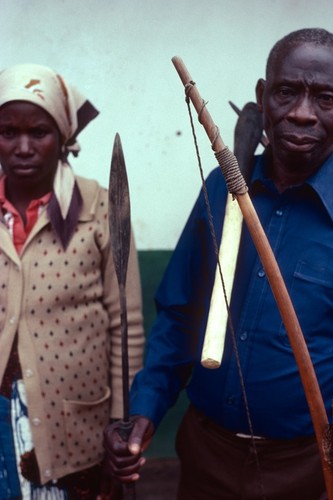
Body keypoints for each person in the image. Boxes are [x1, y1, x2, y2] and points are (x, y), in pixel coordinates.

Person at [103, 27, 333, 500]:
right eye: (287, 92)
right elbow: (181, 315)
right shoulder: (220, 188)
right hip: (206, 455)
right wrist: (144, 412)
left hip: (310, 468)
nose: (303, 114)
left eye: (325, 98)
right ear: (262, 97)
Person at [0, 63, 145, 499]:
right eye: (8, 132)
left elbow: (127, 326)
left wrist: (123, 422)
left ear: (62, 136)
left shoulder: (100, 206)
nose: (23, 147)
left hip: (76, 423)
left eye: (39, 132)